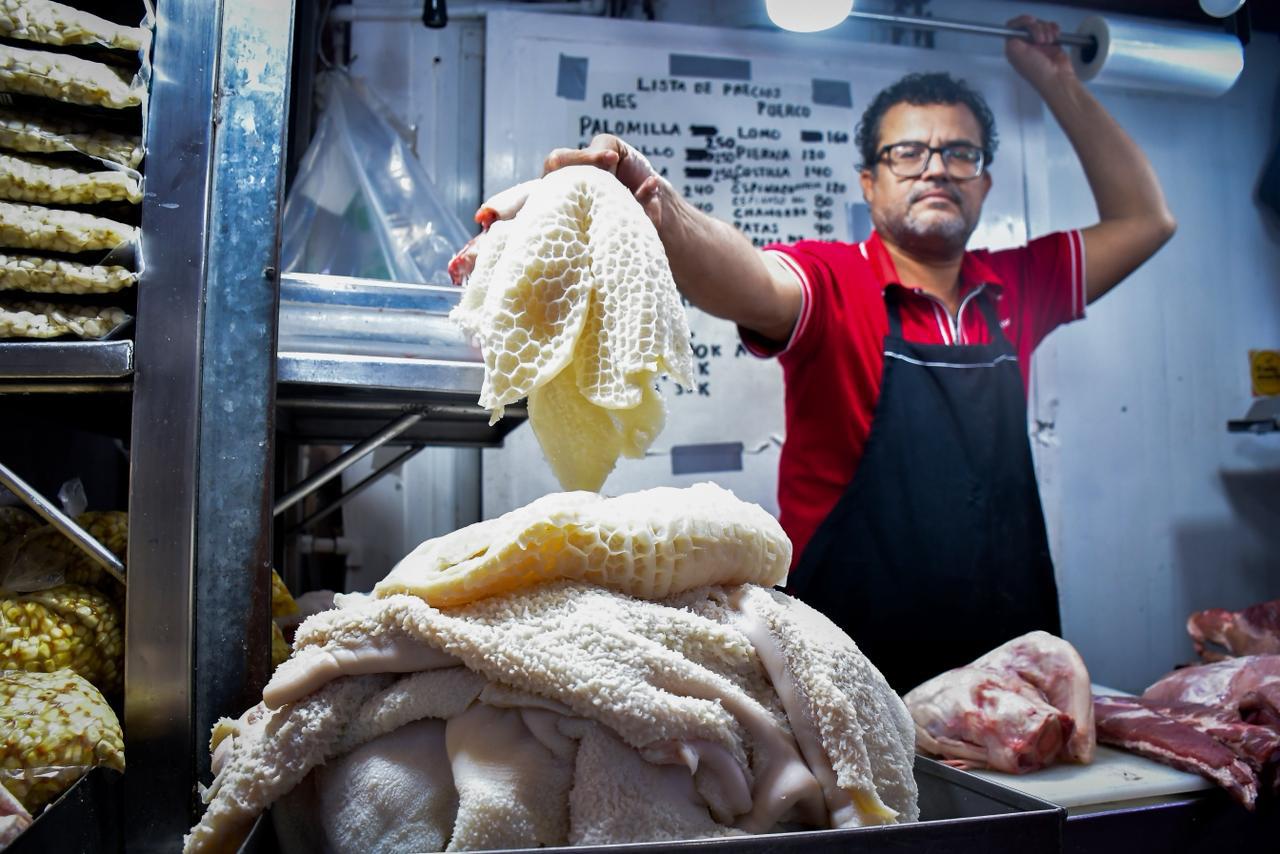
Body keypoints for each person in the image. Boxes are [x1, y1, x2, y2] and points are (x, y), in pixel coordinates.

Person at [529, 16, 1176, 691]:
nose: (936, 168)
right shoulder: (835, 280)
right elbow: (746, 275)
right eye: (908, 153)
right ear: (869, 182)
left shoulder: (1019, 286)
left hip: (1006, 664)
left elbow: (1145, 220)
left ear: (984, 183)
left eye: (961, 153)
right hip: (850, 667)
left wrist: (1057, 79)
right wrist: (656, 205)